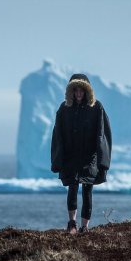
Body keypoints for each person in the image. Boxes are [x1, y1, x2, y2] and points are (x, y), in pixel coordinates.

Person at [51, 74, 112, 234]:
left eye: (81, 90)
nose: (78, 94)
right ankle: (72, 224)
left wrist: (103, 161)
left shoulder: (96, 107)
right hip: (71, 157)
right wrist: (58, 158)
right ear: (71, 91)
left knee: (87, 190)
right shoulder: (64, 109)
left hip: (89, 158)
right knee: (72, 187)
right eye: (75, 90)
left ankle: (85, 227)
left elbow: (102, 134)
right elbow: (58, 135)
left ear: (87, 91)